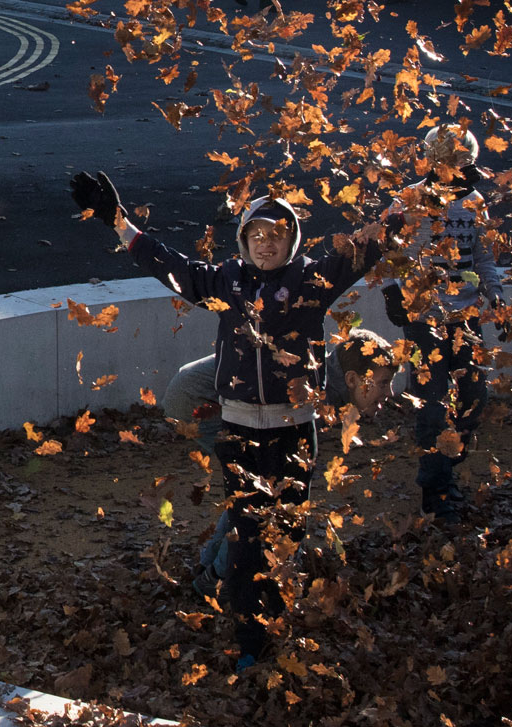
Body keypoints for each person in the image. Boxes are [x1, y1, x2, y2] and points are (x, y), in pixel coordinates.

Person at [70, 172, 387, 667]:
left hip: (294, 434)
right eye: (256, 235)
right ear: (243, 240)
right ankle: (250, 644)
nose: (266, 245)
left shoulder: (311, 281)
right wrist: (118, 221)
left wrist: (417, 202)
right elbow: (168, 265)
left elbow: (364, 250)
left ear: (293, 241)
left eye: (277, 236)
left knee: (283, 539)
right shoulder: (226, 282)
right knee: (245, 542)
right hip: (239, 437)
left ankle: (277, 627)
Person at [182, 327, 401, 598]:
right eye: (383, 382)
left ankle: (210, 567)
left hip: (199, 395)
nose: (389, 393)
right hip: (198, 400)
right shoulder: (314, 391)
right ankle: (217, 578)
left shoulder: (321, 382)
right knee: (258, 498)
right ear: (352, 379)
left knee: (253, 492)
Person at [383, 125, 502, 524]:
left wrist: (494, 292)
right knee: (432, 403)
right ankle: (435, 488)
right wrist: (393, 293)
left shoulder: (475, 204)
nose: (457, 170)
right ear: (432, 162)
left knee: (474, 395)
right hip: (423, 318)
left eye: (464, 163)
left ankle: (447, 461)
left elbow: (482, 254)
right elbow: (386, 251)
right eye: (449, 162)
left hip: (465, 316)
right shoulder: (410, 200)